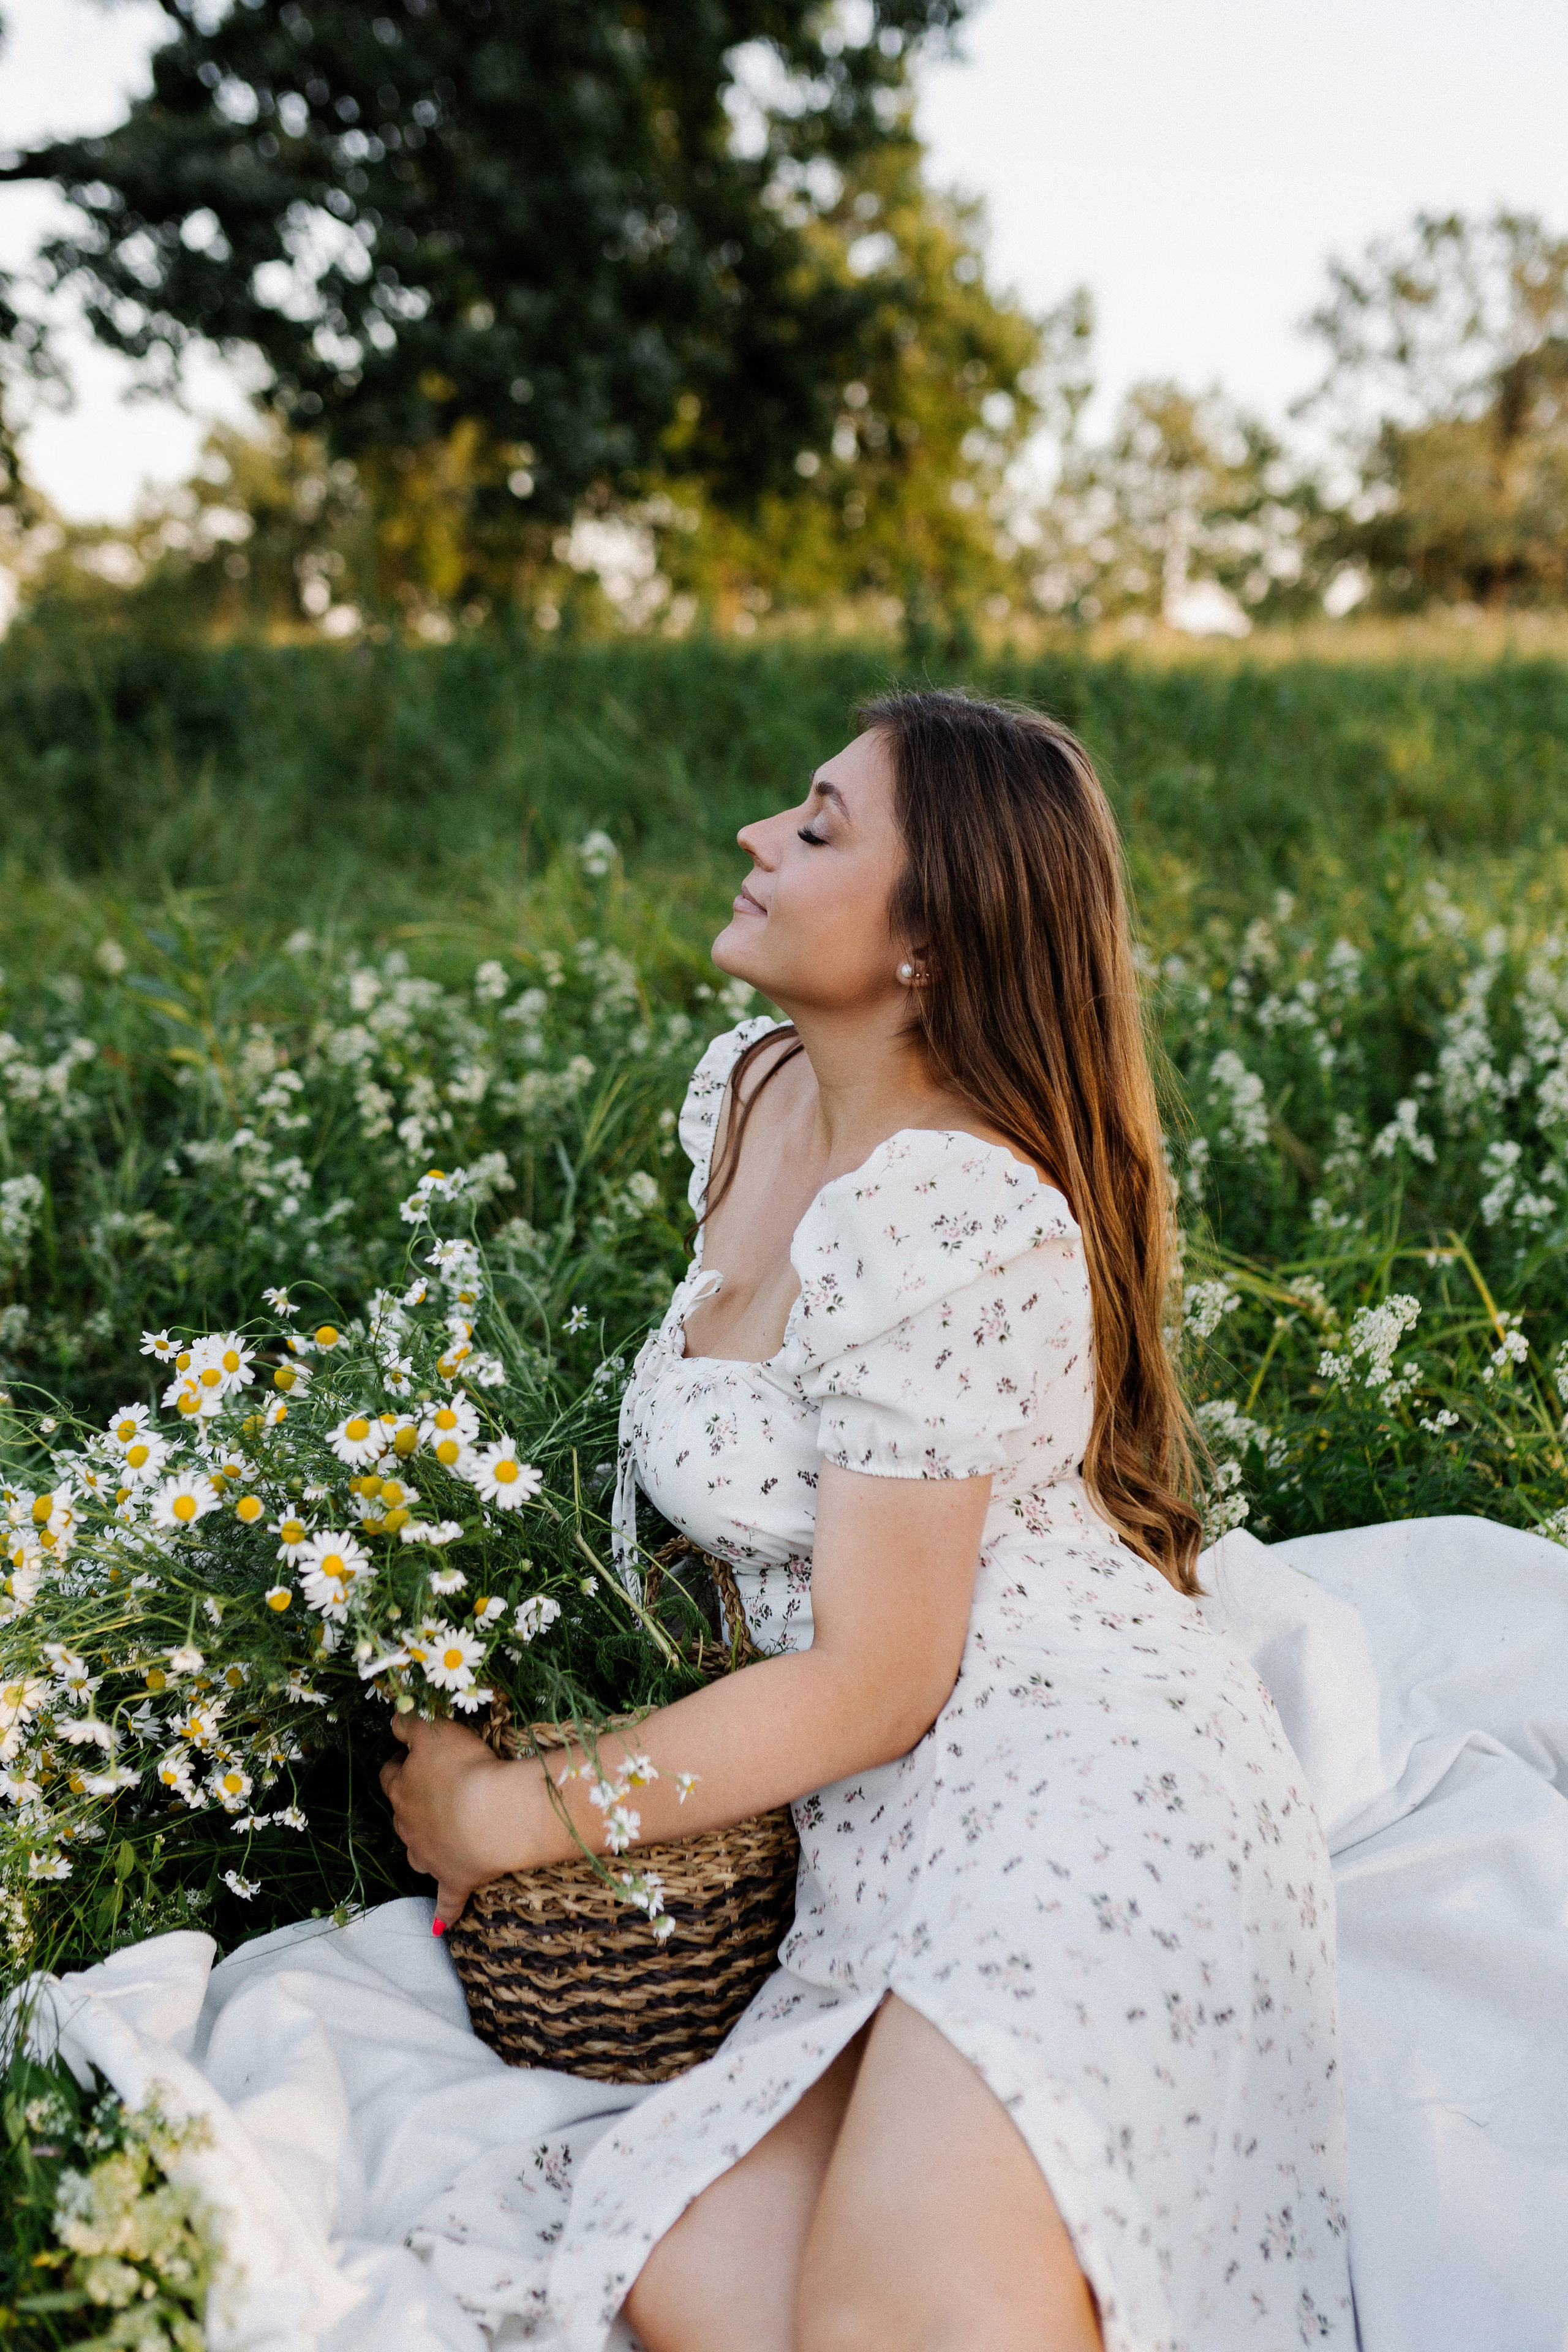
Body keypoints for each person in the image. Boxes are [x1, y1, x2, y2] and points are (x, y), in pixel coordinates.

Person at [380, 689, 1354, 2352]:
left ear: (930, 943)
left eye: (820, 826)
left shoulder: (950, 1207)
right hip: (888, 1838)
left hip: (1076, 1782)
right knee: (680, 2274)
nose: (759, 834)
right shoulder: (757, 1092)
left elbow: (878, 1683)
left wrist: (513, 1817)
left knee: (884, 2321)